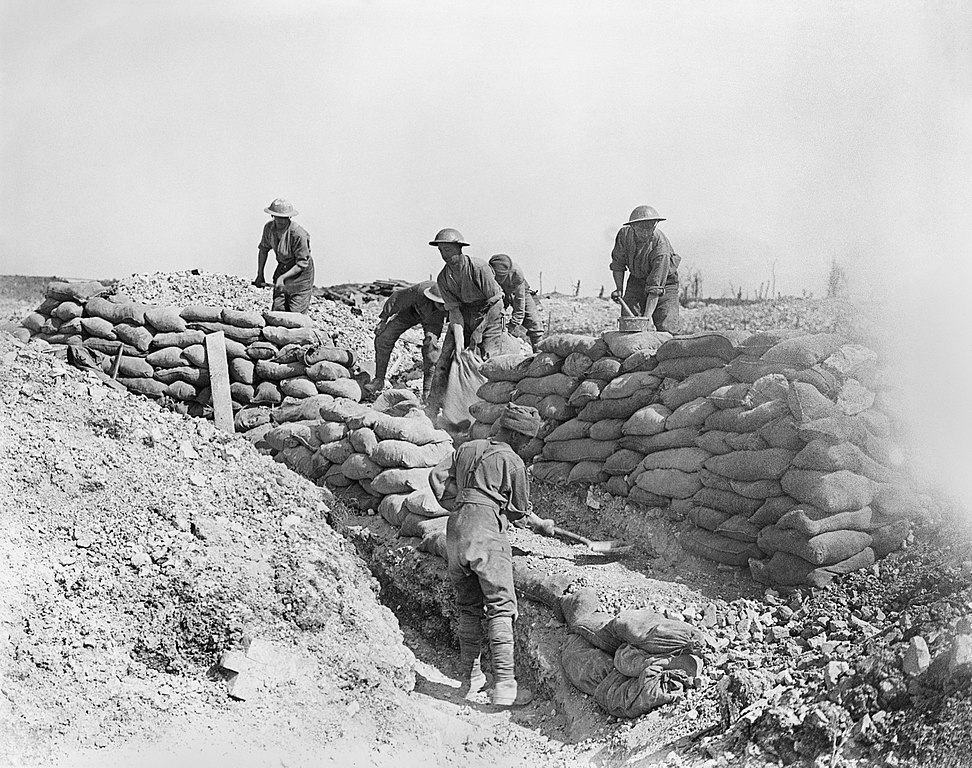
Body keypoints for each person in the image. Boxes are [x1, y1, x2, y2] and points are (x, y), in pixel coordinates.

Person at [429, 403, 556, 707]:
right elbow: (517, 510)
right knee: (500, 607)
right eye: (527, 441)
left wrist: (460, 503)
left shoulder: (468, 448)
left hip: (456, 531)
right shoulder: (513, 463)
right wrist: (537, 524)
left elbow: (436, 476)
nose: (527, 446)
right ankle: (505, 688)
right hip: (487, 533)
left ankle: (470, 679)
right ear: (516, 435)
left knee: (468, 608)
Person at [426, 228, 505, 411]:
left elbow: (495, 301)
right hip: (464, 314)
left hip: (491, 313)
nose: (443, 255)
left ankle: (489, 407)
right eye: (440, 250)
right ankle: (433, 407)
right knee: (445, 358)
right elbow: (454, 313)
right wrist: (460, 341)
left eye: (447, 250)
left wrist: (478, 331)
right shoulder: (443, 278)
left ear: (458, 248)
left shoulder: (478, 268)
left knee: (487, 361)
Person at [369, 280, 446, 400]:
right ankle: (378, 379)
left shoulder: (451, 301)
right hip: (411, 312)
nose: (443, 307)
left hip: (433, 320)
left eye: (444, 304)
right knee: (384, 338)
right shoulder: (418, 291)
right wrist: (383, 319)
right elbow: (397, 298)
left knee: (431, 349)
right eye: (439, 304)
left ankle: (427, 392)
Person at [609, 205, 681, 332]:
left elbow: (655, 288)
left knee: (667, 328)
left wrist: (646, 321)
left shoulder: (661, 248)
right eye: (641, 228)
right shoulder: (623, 235)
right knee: (630, 323)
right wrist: (619, 289)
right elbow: (618, 264)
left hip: (665, 283)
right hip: (637, 279)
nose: (646, 232)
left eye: (650, 227)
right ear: (632, 227)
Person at [253, 198, 316, 313]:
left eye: (284, 218)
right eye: (278, 218)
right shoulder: (269, 229)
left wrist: (282, 278)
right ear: (273, 216)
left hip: (301, 275)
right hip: (284, 267)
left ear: (289, 217)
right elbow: (263, 250)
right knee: (278, 310)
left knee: (295, 315)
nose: (281, 221)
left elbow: (302, 263)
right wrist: (260, 274)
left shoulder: (298, 234)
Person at [487, 254, 544, 351]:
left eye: (501, 277)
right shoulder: (487, 273)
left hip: (520, 291)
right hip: (498, 292)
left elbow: (519, 308)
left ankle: (539, 353)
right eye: (497, 276)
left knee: (534, 322)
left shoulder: (517, 275)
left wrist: (511, 326)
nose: (499, 279)